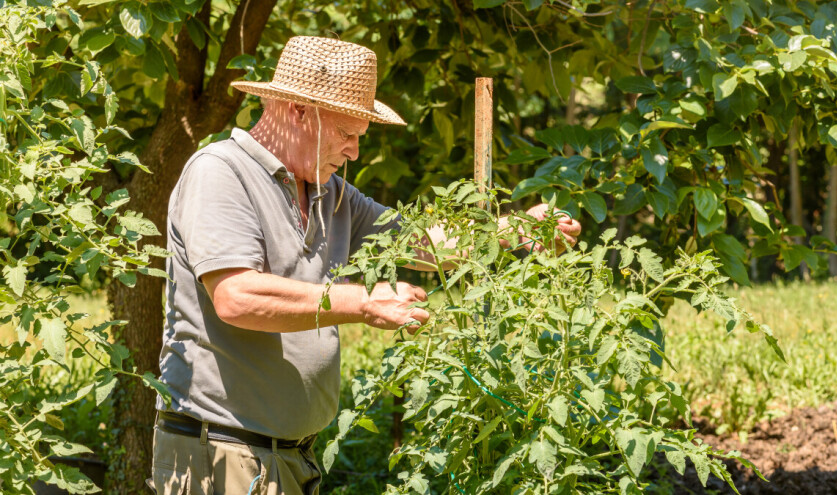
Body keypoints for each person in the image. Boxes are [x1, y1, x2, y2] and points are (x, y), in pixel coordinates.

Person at [149, 36, 581, 495]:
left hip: (288, 456)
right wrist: (362, 302)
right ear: (299, 110)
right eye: (346, 133)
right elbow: (236, 297)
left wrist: (518, 230)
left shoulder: (329, 194)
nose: (354, 151)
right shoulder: (221, 172)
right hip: (221, 453)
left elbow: (423, 244)